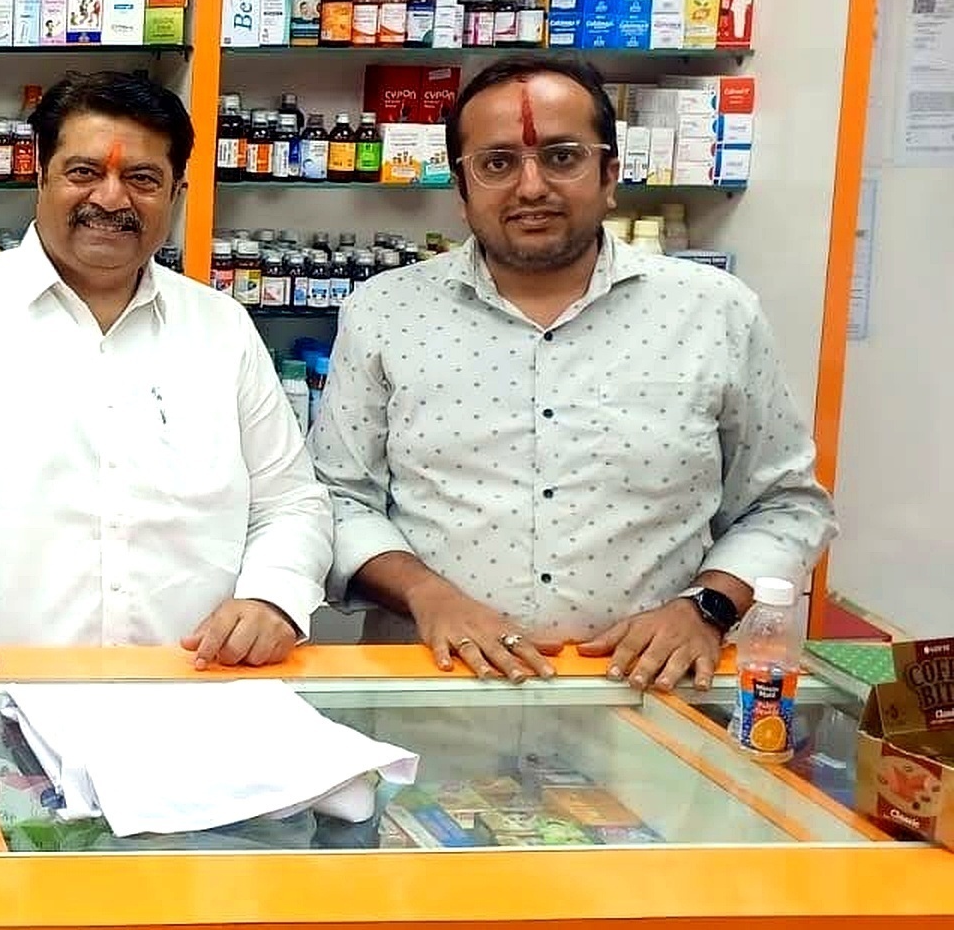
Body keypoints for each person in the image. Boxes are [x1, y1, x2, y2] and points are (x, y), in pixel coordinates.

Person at [310, 54, 835, 693]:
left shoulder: (714, 311)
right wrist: (428, 595)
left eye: (562, 157)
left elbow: (785, 503)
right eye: (497, 163)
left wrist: (706, 607)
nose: (531, 187)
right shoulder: (385, 312)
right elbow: (336, 496)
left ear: (610, 174)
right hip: (434, 690)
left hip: (650, 697)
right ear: (461, 187)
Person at [0, 71, 333, 689]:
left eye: (142, 178)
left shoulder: (221, 328)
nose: (111, 199)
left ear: (178, 192)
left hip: (186, 692)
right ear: (40, 174)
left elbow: (291, 502)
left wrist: (274, 596)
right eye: (84, 172)